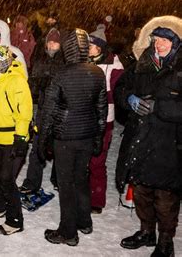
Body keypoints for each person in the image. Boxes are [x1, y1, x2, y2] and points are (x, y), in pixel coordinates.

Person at [115, 15, 181, 257]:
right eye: (157, 39)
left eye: (166, 40)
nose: (160, 44)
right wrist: (129, 100)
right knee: (142, 189)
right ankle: (146, 232)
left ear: (176, 43)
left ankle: (166, 242)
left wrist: (159, 108)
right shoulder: (142, 64)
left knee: (165, 197)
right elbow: (121, 88)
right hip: (140, 139)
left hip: (168, 144)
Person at [38, 29, 107, 246]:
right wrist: (98, 136)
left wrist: (42, 140)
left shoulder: (61, 74)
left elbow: (49, 110)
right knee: (81, 178)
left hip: (66, 136)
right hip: (86, 135)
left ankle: (68, 231)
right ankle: (84, 221)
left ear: (68, 49)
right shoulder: (97, 72)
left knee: (66, 183)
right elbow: (101, 109)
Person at [0, 45, 33, 235]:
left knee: (6, 179)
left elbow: (24, 112)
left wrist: (21, 136)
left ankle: (15, 220)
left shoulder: (16, 81)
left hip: (12, 138)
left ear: (4, 61)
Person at [19, 27, 63, 195]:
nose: (52, 45)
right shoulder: (40, 60)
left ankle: (58, 179)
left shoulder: (65, 62)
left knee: (58, 148)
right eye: (50, 42)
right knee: (37, 147)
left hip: (59, 113)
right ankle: (32, 182)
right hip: (43, 111)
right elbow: (33, 86)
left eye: (55, 42)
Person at [87, 25, 124, 214]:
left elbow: (118, 92)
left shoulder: (113, 65)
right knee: (82, 159)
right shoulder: (84, 61)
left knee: (97, 160)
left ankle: (96, 200)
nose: (87, 48)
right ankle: (81, 195)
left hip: (103, 120)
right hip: (83, 118)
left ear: (99, 48)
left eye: (91, 45)